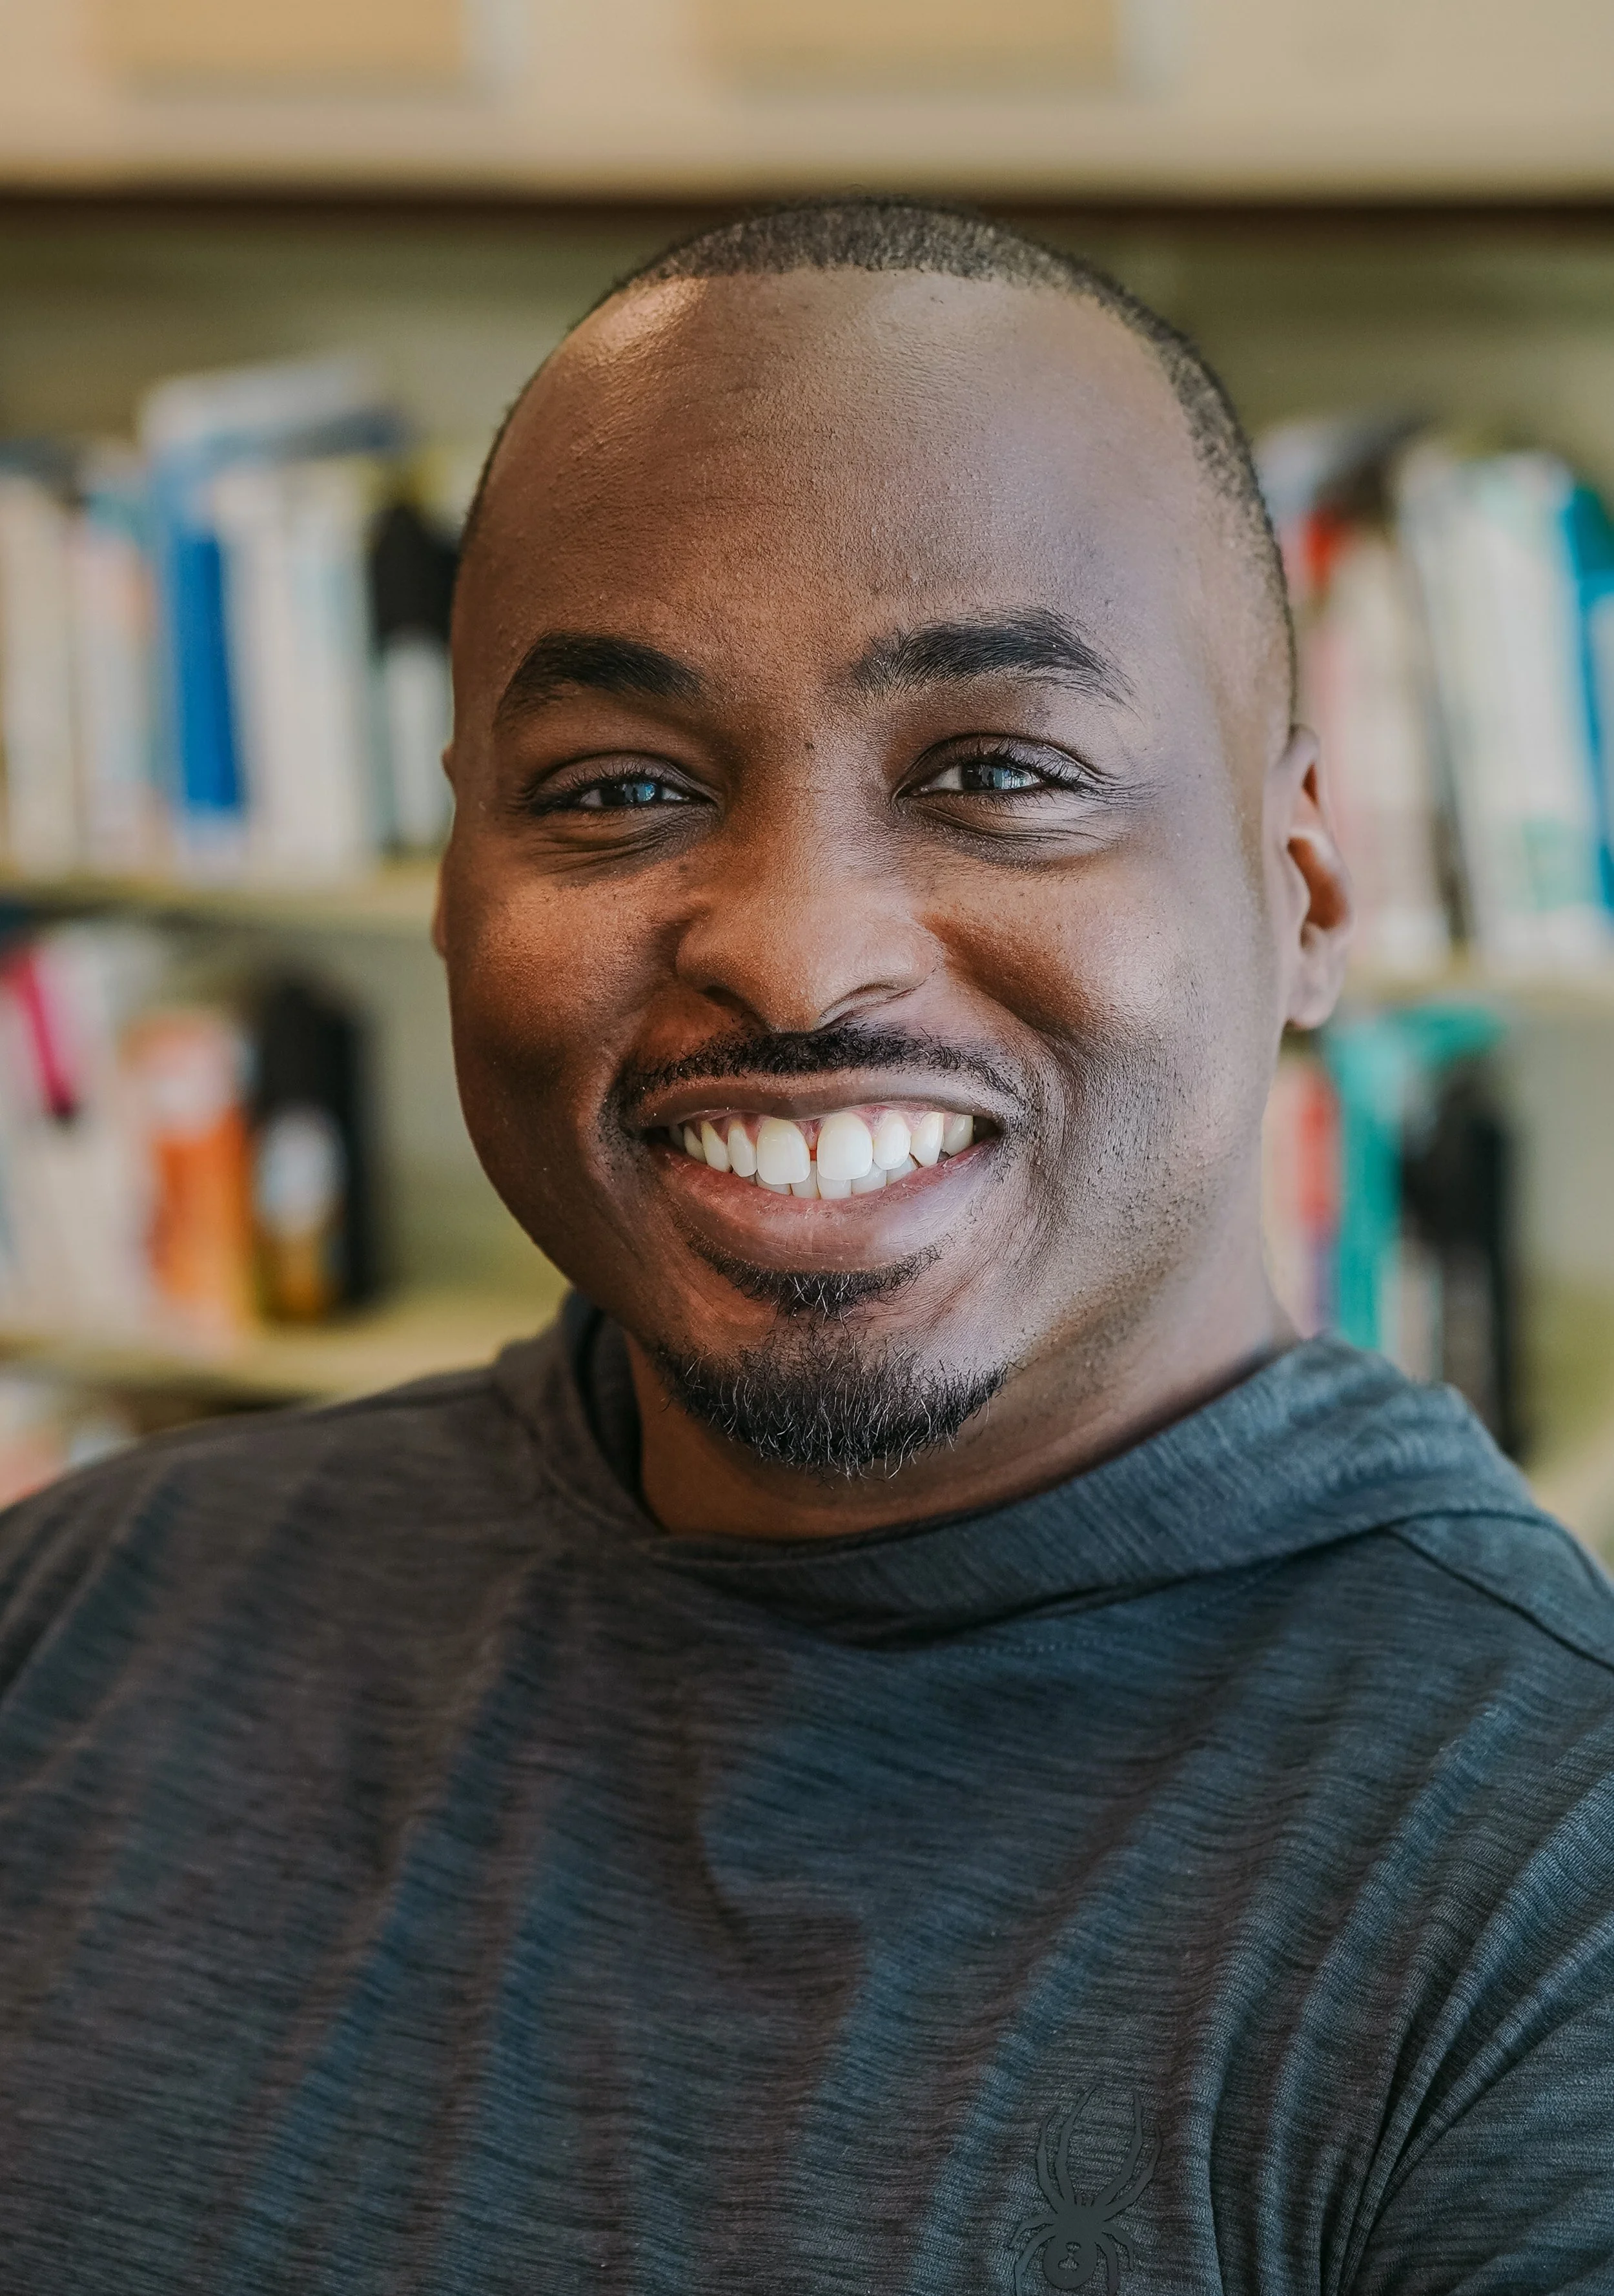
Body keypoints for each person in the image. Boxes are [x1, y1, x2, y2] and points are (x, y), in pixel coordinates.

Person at [2, 198, 1612, 2295]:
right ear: (450, 870)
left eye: (998, 771)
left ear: (1302, 894)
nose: (791, 947)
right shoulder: (88, 1607)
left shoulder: (1540, 1899)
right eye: (614, 786)